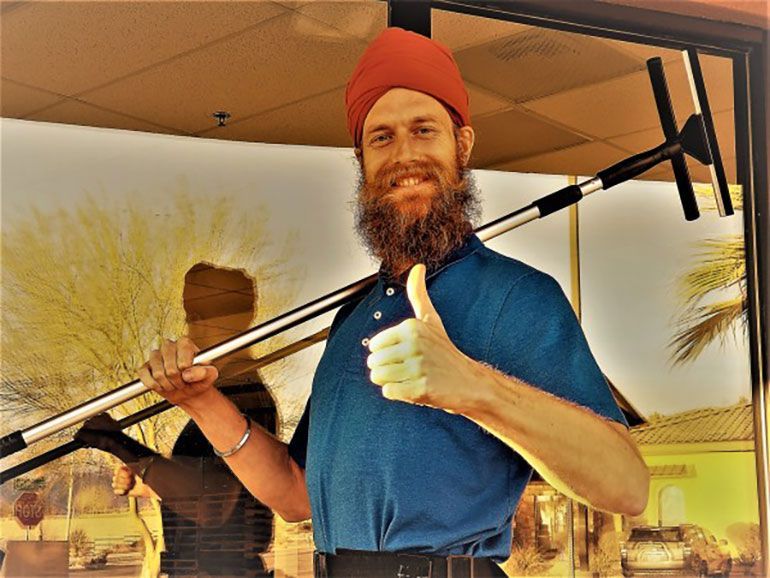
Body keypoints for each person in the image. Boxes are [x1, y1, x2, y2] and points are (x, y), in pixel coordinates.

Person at [137, 28, 649, 578]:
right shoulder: (350, 317)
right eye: (381, 138)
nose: (404, 155)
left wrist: (474, 388)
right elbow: (295, 496)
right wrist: (203, 403)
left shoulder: (517, 296)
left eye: (424, 131)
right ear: (361, 160)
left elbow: (626, 484)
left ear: (463, 145)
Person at [76, 263, 276, 578]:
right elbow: (214, 487)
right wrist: (147, 484)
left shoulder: (244, 396)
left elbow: (212, 503)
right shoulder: (226, 392)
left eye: (199, 316)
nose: (190, 330)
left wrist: (119, 443)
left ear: (236, 320)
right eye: (191, 317)